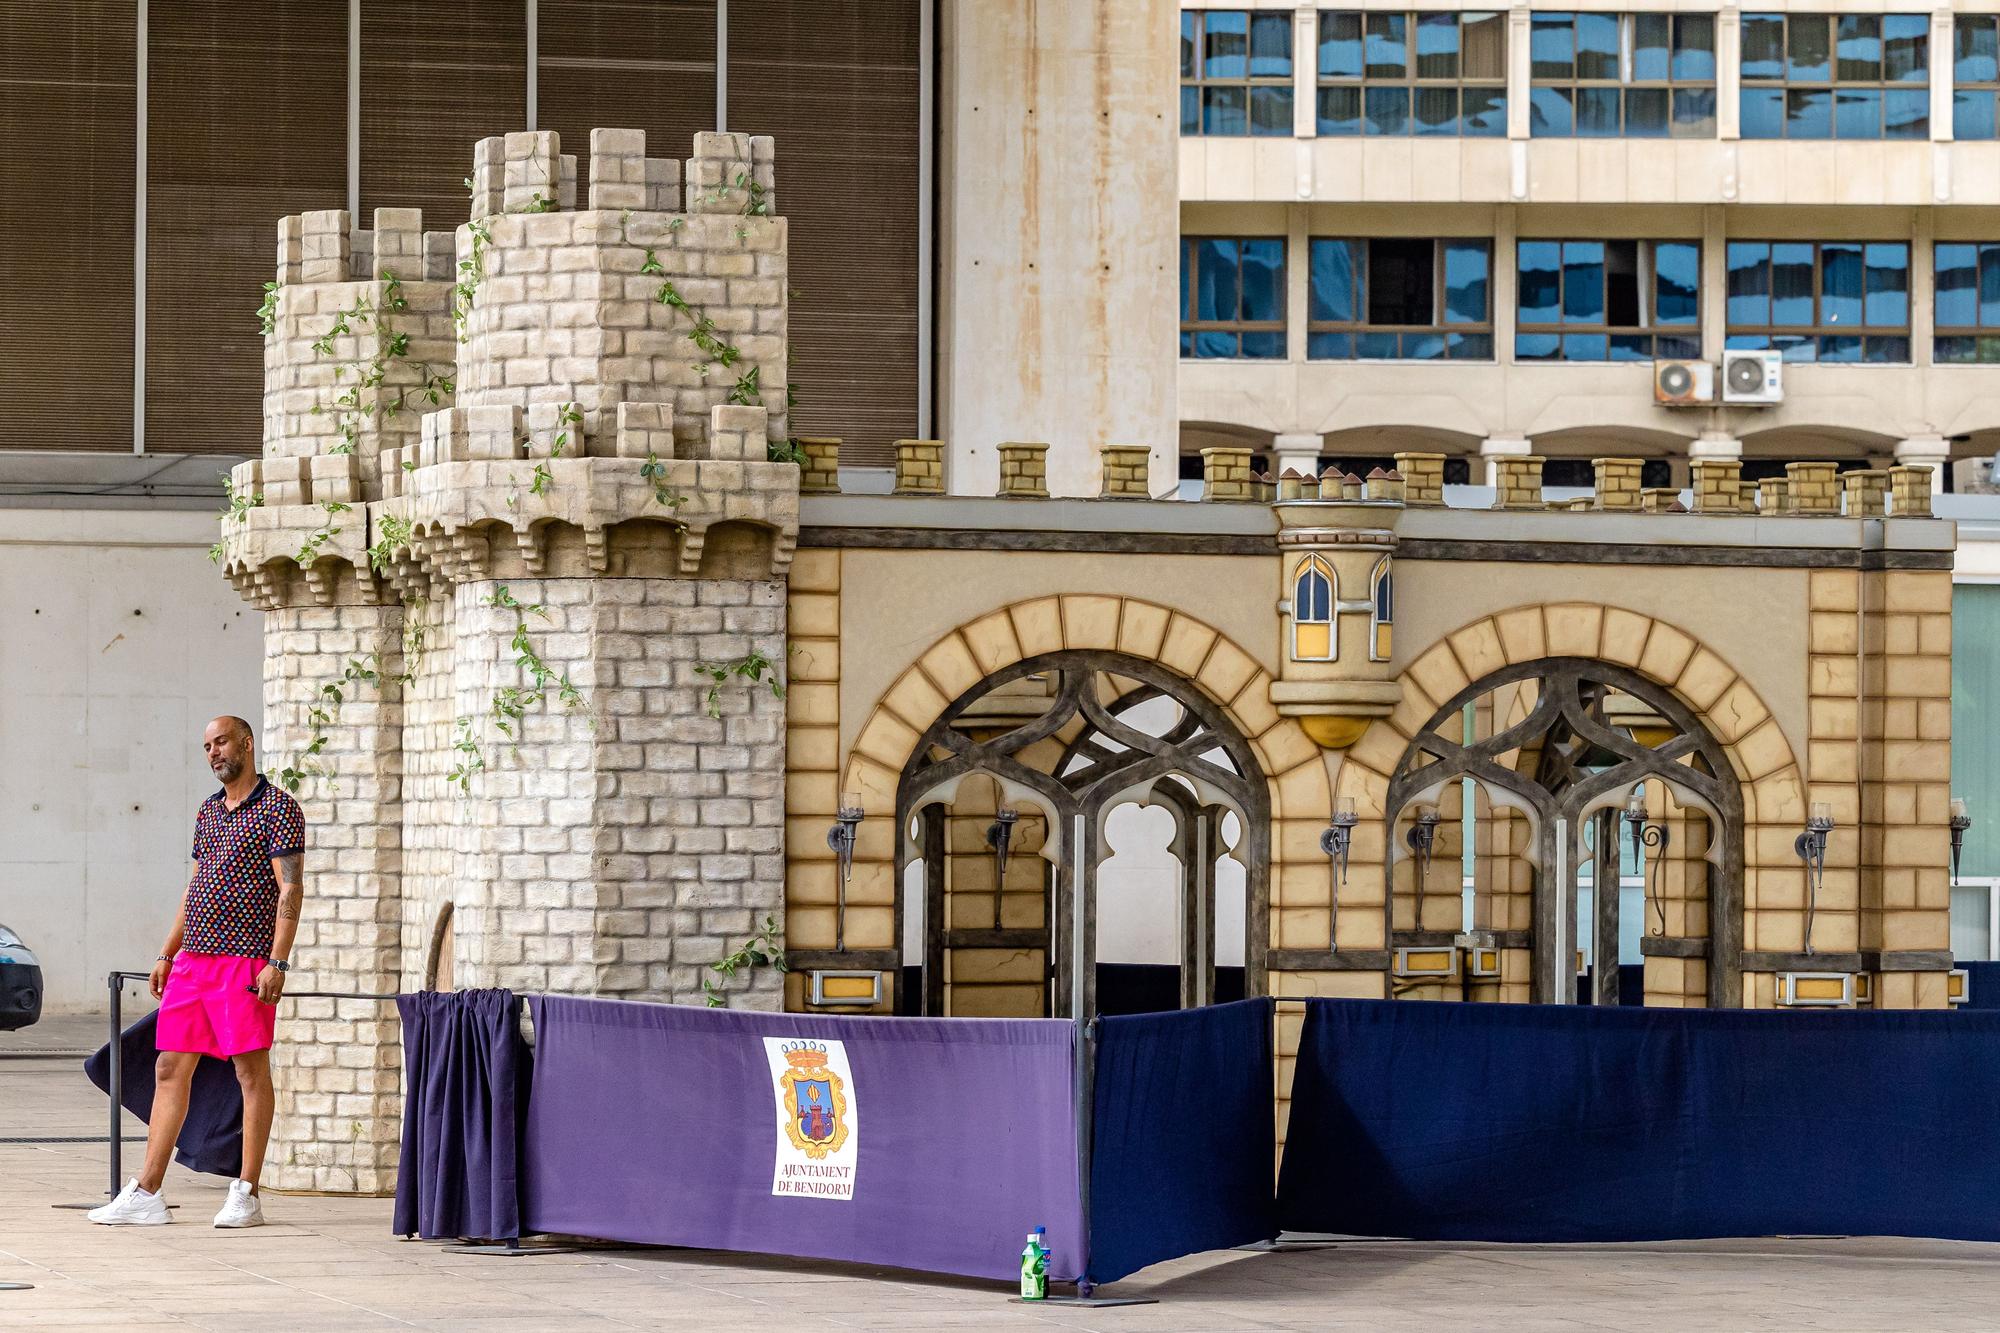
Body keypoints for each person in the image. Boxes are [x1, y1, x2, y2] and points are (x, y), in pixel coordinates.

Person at [88, 716, 305, 1228]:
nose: (213, 752)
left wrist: (278, 961)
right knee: (169, 1067)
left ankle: (246, 1192)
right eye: (207, 746)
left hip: (246, 960)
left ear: (246, 744)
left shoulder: (279, 809)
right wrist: (168, 951)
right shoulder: (208, 811)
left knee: (249, 1073)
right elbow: (196, 887)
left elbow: (291, 890)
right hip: (194, 963)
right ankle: (146, 1192)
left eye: (221, 741)